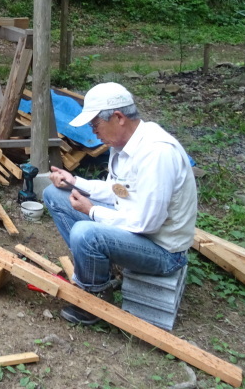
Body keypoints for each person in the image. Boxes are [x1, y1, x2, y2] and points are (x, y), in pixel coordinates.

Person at [42, 82, 197, 325]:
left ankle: (94, 300)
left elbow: (146, 224)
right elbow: (118, 191)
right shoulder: (123, 144)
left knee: (86, 232)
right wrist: (75, 182)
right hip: (136, 232)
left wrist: (91, 211)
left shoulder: (156, 154)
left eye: (95, 124)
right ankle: (96, 267)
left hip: (162, 250)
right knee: (55, 194)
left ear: (118, 117)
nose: (93, 131)